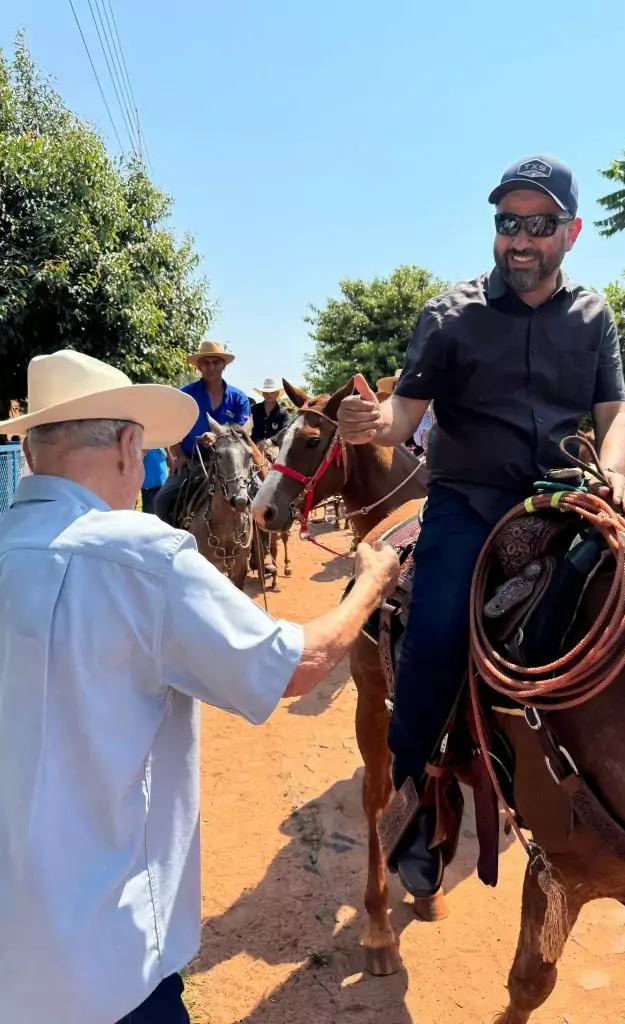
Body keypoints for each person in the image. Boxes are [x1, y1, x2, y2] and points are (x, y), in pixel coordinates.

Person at [0, 349, 399, 1024]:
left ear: (33, 452)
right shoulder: (146, 559)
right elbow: (296, 669)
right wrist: (369, 586)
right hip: (112, 974)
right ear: (130, 447)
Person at [336, 154, 625, 899]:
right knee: (435, 630)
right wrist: (377, 421)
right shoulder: (450, 314)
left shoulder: (594, 317)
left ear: (571, 232)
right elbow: (405, 412)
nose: (520, 239)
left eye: (538, 224)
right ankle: (411, 797)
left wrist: (618, 470)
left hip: (566, 501)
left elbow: (616, 412)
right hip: (469, 502)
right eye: (508, 224)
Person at [154, 340, 251, 524]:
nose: (211, 367)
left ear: (223, 365)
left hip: (231, 464)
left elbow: (244, 432)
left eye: (215, 362)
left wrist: (218, 437)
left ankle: (262, 547)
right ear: (199, 366)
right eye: (206, 362)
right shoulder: (185, 395)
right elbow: (172, 425)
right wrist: (179, 456)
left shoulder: (239, 398)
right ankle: (171, 545)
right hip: (193, 462)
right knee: (162, 502)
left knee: (258, 492)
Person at [250, 377, 291, 442]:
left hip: (274, 448)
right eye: (266, 392)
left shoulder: (283, 412)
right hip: (252, 446)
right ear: (263, 394)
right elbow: (246, 428)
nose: (269, 395)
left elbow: (286, 431)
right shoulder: (253, 409)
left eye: (272, 392)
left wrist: (270, 441)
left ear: (277, 394)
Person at [141, 447, 170, 513]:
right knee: (149, 514)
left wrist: (168, 451)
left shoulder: (163, 448)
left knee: (162, 512)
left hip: (163, 486)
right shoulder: (146, 448)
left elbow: (171, 463)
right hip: (148, 488)